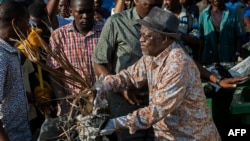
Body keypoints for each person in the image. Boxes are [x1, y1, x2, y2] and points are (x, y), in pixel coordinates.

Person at [97, 7, 221, 140]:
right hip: (168, 135)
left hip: (190, 136)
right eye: (141, 34)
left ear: (164, 39)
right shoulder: (151, 56)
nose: (141, 40)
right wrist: (105, 84)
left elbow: (157, 110)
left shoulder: (178, 65)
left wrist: (114, 124)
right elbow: (130, 75)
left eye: (147, 36)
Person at [37, 0, 103, 140]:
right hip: (71, 103)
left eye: (89, 11)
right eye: (80, 12)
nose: (85, 16)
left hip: (100, 101)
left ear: (94, 11)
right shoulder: (59, 35)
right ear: (71, 12)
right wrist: (63, 102)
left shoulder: (105, 32)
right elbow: (55, 71)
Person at [0, 1, 32, 140]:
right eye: (27, 21)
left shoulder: (10, 51)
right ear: (15, 23)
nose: (30, 27)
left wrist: (30, 98)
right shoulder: (1, 55)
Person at [199, 0, 244, 66]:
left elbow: (239, 36)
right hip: (209, 58)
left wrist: (237, 53)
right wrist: (199, 57)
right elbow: (201, 38)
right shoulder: (204, 14)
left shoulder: (233, 13)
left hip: (228, 57)